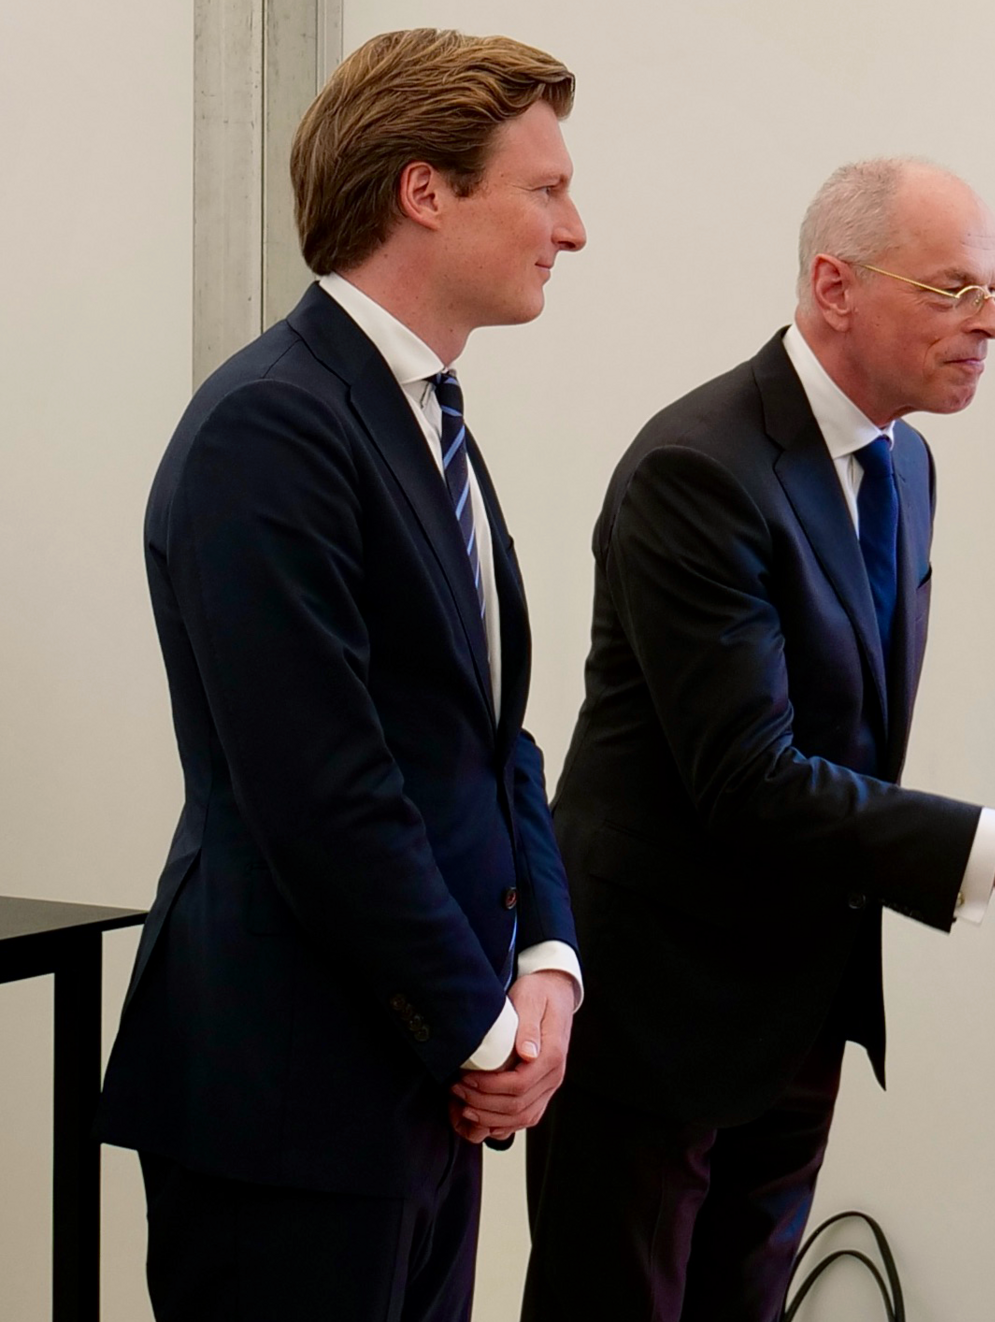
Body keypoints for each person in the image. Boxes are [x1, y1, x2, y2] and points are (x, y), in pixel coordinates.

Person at [520, 157, 995, 1322]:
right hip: (658, 1008)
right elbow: (747, 777)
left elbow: (846, 737)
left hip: (802, 1002)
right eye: (954, 289)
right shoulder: (699, 467)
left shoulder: (906, 460)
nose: (992, 324)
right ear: (834, 285)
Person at [98, 29, 586, 1321]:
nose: (572, 228)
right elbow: (324, 788)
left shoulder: (426, 417)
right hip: (292, 1097)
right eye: (544, 189)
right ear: (425, 190)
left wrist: (546, 960)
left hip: (423, 1078)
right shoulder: (272, 422)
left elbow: (493, 737)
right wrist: (482, 1031)